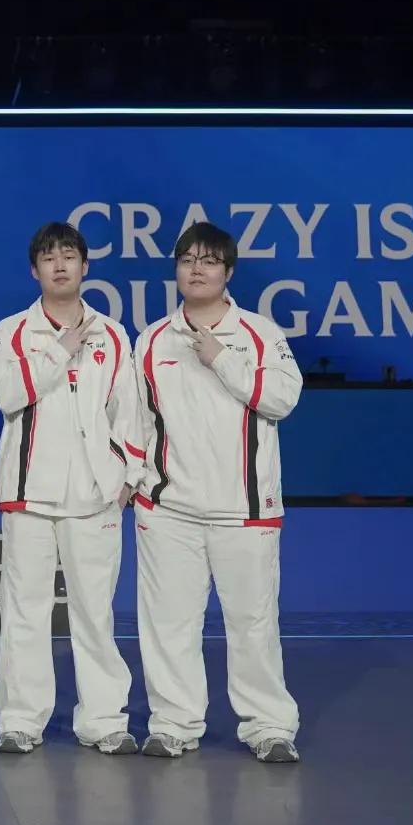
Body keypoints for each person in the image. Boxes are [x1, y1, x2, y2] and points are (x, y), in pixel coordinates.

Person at [131, 221, 303, 763]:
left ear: (228, 272)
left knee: (253, 625)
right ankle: (173, 724)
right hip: (169, 510)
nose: (196, 270)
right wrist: (136, 481)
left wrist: (222, 359)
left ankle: (269, 726)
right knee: (168, 625)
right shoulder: (152, 339)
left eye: (208, 261)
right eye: (187, 261)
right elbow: (135, 420)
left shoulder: (260, 334)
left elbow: (283, 399)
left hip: (244, 510)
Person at [0, 221, 141, 756]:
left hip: (95, 495)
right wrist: (58, 351)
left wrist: (126, 476)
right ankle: (21, 720)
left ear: (84, 266)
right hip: (29, 491)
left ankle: (103, 719)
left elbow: (130, 411)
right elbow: (6, 394)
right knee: (24, 611)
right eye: (49, 257)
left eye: (69, 255)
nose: (59, 265)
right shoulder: (12, 331)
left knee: (95, 614)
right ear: (35, 270)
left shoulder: (113, 334)